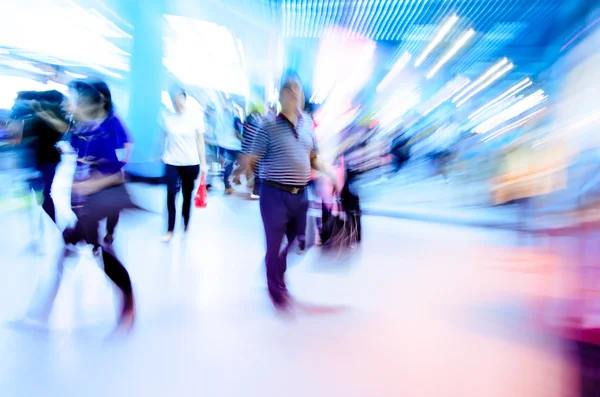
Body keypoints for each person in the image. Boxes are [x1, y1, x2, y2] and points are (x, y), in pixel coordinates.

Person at [25, 79, 136, 330]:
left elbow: (117, 174)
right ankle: (40, 313)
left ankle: (128, 302)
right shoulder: (83, 130)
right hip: (83, 207)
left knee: (100, 257)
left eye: (73, 99)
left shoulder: (104, 133)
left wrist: (88, 186)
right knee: (70, 253)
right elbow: (68, 135)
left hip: (96, 205)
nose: (68, 104)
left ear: (93, 103)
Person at [249, 77, 337, 310]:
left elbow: (313, 157)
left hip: (299, 194)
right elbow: (253, 156)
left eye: (297, 89)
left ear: (302, 96)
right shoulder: (268, 125)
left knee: (302, 238)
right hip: (273, 194)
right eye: (289, 89)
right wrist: (244, 174)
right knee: (275, 244)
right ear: (281, 95)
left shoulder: (307, 123)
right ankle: (277, 289)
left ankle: (272, 263)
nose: (293, 93)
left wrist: (330, 173)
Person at [10, 90, 69, 225]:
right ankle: (39, 224)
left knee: (44, 195)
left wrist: (41, 113)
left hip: (47, 160)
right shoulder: (26, 113)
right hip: (32, 160)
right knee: (36, 194)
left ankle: (54, 225)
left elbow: (62, 129)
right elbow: (17, 133)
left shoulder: (54, 116)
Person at [159, 86, 208, 242]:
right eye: (173, 100)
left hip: (190, 162)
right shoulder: (167, 116)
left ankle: (186, 222)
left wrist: (204, 163)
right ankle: (170, 229)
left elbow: (200, 141)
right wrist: (161, 152)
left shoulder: (196, 116)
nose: (176, 103)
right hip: (171, 161)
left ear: (185, 98)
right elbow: (163, 136)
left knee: (187, 196)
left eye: (179, 99)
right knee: (171, 195)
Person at [217, 107, 243, 195]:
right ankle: (228, 184)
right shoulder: (235, 119)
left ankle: (230, 182)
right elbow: (237, 132)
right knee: (238, 164)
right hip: (234, 146)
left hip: (226, 145)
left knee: (231, 164)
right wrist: (243, 140)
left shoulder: (222, 121)